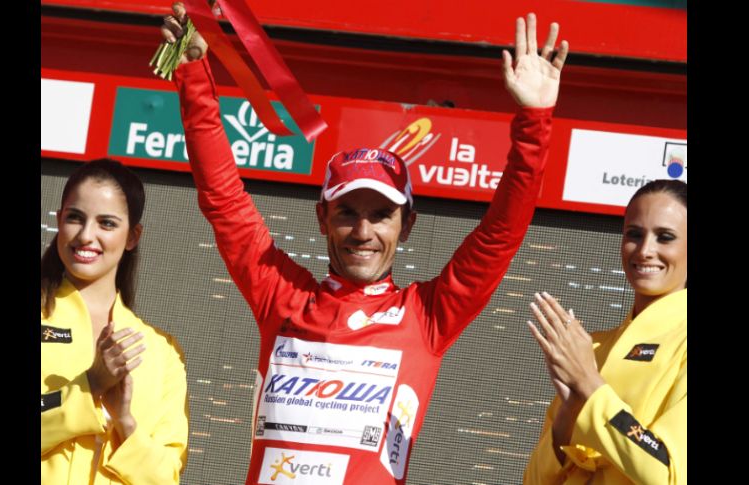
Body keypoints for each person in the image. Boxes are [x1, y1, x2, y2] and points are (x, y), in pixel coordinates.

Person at [164, 6, 568, 484]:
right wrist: (192, 72)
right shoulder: (283, 297)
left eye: (381, 215)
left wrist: (535, 119)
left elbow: (502, 232)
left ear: (407, 225)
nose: (363, 232)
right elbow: (224, 200)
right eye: (347, 213)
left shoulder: (427, 317)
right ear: (322, 218)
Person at [524, 179, 687, 484]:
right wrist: (570, 409)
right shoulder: (593, 348)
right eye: (634, 235)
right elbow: (533, 480)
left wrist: (590, 384)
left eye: (665, 237)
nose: (645, 250)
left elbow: (667, 474)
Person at [41, 159, 189, 484]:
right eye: (75, 218)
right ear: (59, 220)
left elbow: (166, 476)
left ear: (133, 236)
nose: (86, 235)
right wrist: (89, 387)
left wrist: (125, 422)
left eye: (106, 223)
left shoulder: (162, 353)